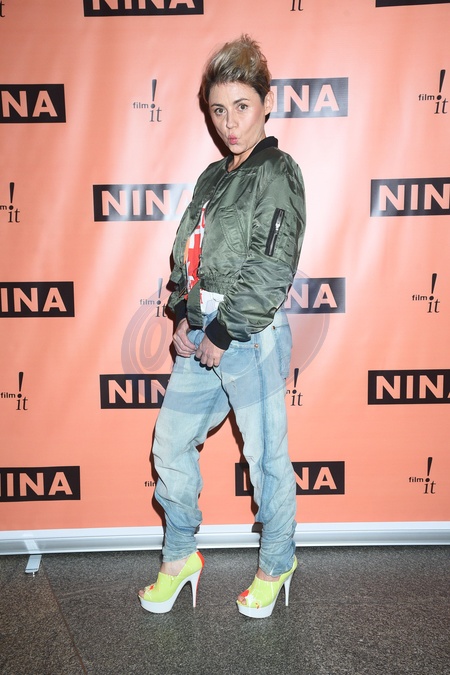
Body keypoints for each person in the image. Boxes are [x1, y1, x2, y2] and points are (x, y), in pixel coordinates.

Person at [139, 34, 306, 619]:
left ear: (266, 103)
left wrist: (222, 331)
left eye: (241, 106)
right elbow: (189, 251)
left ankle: (277, 562)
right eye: (218, 110)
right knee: (169, 444)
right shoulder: (212, 176)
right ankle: (180, 555)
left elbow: (270, 266)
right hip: (204, 331)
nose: (230, 123)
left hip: (247, 335)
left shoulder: (277, 171)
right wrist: (184, 314)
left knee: (266, 457)